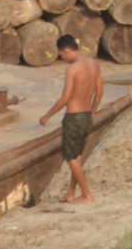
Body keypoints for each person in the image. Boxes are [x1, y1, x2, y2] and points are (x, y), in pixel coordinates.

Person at [39, 35, 105, 203]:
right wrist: (93, 110)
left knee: (71, 158)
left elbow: (65, 98)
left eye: (62, 55)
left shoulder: (73, 69)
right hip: (86, 116)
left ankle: (86, 194)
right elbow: (99, 91)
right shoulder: (93, 64)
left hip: (73, 118)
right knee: (78, 156)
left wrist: (47, 115)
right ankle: (71, 192)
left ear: (67, 50)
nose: (63, 58)